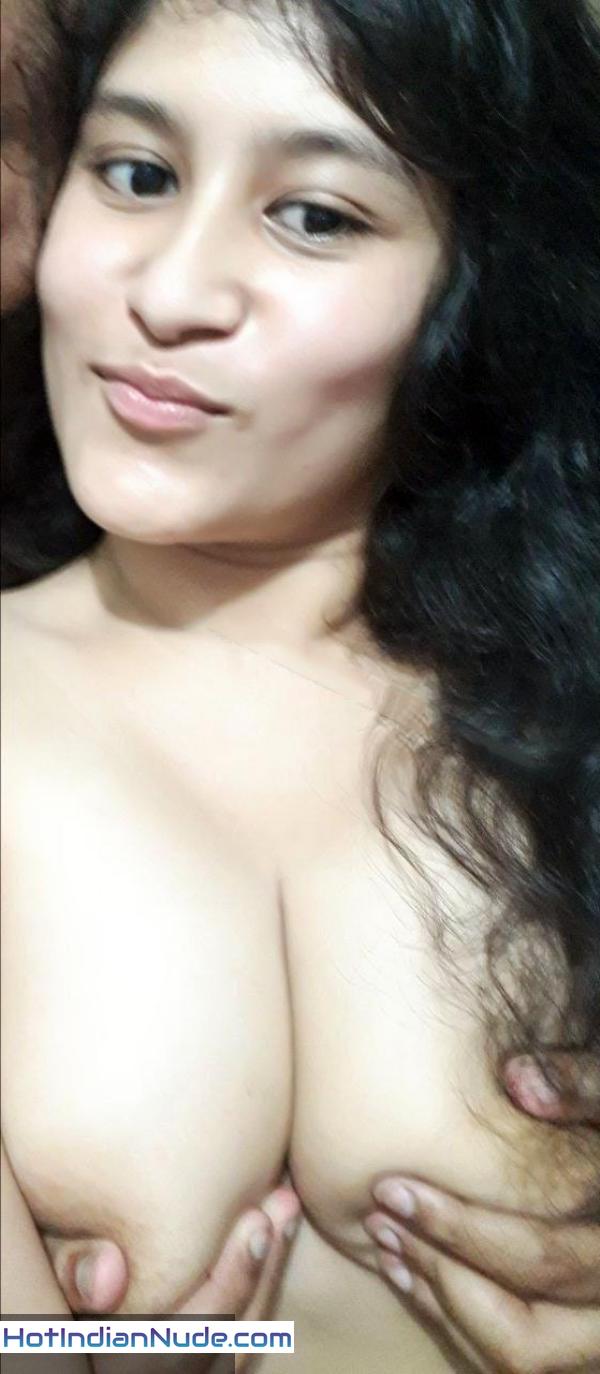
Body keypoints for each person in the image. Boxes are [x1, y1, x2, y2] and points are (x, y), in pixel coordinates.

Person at [1, 1, 599, 1371]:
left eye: (316, 216)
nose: (172, 292)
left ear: (478, 285)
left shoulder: (566, 717)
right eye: (136, 173)